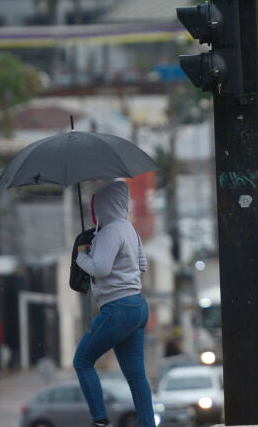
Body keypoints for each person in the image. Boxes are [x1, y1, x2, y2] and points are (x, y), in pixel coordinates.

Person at [73, 181, 154, 427]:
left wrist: (82, 256)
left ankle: (100, 421)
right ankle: (147, 424)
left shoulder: (110, 231)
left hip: (118, 308)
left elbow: (100, 268)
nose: (94, 211)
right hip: (138, 306)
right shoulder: (129, 229)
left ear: (105, 205)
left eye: (96, 206)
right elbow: (142, 265)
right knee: (136, 376)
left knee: (82, 361)